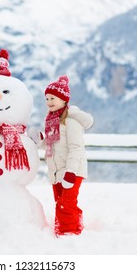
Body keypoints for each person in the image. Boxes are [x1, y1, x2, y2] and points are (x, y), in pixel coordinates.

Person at [29, 75, 93, 236]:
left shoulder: (71, 121)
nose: (49, 101)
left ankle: (68, 234)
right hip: (57, 171)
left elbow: (75, 147)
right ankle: (73, 227)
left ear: (64, 100)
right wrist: (40, 140)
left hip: (72, 170)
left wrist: (70, 172)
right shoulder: (52, 120)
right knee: (62, 203)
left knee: (66, 204)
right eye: (47, 98)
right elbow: (53, 144)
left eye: (53, 98)